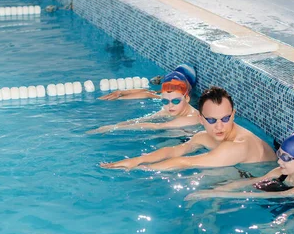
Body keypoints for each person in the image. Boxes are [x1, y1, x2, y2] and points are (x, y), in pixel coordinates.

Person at [101, 86, 277, 171]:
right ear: (200, 119)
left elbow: (185, 162)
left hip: (272, 192)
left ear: (233, 115)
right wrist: (137, 159)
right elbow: (174, 151)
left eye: (225, 118)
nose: (219, 126)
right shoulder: (204, 136)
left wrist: (140, 168)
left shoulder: (237, 145)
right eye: (211, 120)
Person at [184, 129, 294, 205]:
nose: (279, 161)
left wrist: (218, 195)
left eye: (286, 158)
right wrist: (217, 189)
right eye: (279, 154)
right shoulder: (280, 172)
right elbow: (250, 182)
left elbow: (264, 195)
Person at [88, 71, 200, 133]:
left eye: (175, 101)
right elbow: (143, 120)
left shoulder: (192, 117)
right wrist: (114, 125)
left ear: (187, 98)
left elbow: (156, 126)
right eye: (165, 101)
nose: (170, 105)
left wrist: (114, 128)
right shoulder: (171, 109)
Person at [98, 63, 197, 101]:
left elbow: (148, 93)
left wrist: (122, 94)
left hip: (173, 82)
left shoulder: (172, 91)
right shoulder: (184, 96)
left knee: (155, 93)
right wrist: (121, 94)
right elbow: (148, 94)